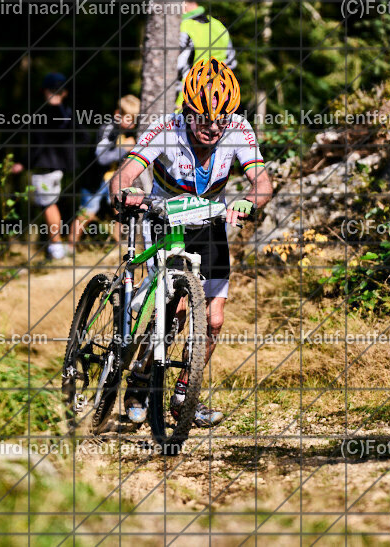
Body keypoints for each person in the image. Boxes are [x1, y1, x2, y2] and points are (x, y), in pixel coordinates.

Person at [110, 57, 272, 428]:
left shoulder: (238, 130)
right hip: (166, 221)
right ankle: (139, 379)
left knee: (213, 320)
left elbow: (262, 182)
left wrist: (250, 200)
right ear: (186, 111)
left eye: (221, 120)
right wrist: (125, 195)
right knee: (177, 310)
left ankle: (185, 394)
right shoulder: (166, 128)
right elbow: (126, 174)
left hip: (209, 224)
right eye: (203, 119)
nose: (213, 128)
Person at [11, 72, 74, 261]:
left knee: (48, 206)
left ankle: (57, 248)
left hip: (46, 167)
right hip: (58, 167)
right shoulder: (68, 113)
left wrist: (23, 163)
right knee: (49, 204)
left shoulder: (44, 114)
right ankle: (56, 247)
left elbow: (39, 144)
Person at [70, 94, 140, 246]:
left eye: (135, 119)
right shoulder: (107, 129)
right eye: (129, 119)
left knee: (121, 209)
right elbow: (101, 158)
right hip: (95, 180)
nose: (133, 124)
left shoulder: (126, 132)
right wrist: (124, 149)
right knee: (86, 214)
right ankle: (69, 247)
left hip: (111, 179)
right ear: (117, 114)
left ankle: (118, 244)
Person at [175, 0, 237, 110]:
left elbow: (177, 69)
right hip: (214, 104)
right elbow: (230, 63)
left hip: (183, 105)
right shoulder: (218, 26)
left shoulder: (182, 28)